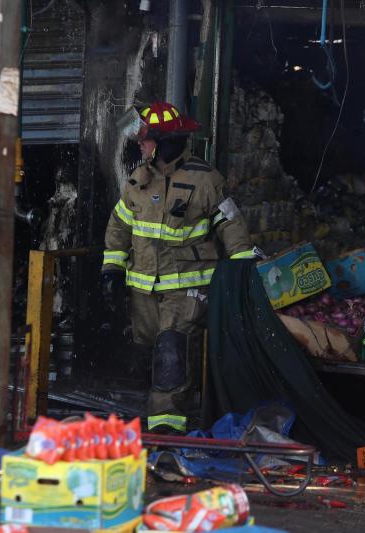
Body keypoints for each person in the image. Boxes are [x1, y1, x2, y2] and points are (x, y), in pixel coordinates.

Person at [102, 101, 255, 434]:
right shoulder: (138, 180)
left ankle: (166, 431)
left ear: (164, 141)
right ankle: (161, 413)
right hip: (144, 289)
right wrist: (112, 269)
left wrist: (242, 273)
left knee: (171, 350)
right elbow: (119, 225)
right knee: (149, 353)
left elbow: (231, 226)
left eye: (145, 138)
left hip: (187, 288)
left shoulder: (206, 180)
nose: (139, 144)